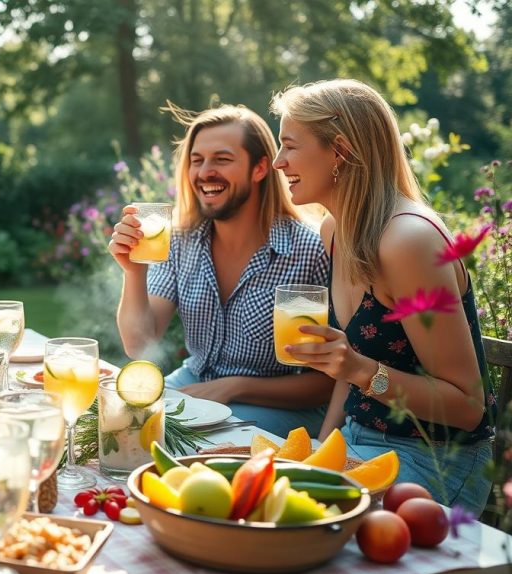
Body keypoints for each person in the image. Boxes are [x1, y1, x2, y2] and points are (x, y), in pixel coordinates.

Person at [270, 79, 495, 514]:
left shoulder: (409, 241)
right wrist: (322, 443)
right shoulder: (336, 230)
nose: (279, 161)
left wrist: (359, 369)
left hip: (432, 458)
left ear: (340, 151)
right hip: (356, 441)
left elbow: (468, 407)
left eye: (289, 146)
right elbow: (347, 367)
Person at [109, 104, 334, 439]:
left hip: (279, 406)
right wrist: (133, 271)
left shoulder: (308, 251)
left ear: (260, 168)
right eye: (196, 160)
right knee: (113, 422)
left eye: (222, 159)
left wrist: (234, 387)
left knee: (195, 441)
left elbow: (327, 384)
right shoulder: (181, 241)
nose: (205, 172)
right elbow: (140, 344)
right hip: (195, 384)